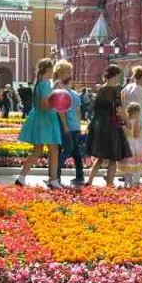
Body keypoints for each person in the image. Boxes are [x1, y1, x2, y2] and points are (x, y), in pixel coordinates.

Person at [15, 58, 62, 189]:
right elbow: (44, 105)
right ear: (48, 69)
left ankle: (21, 177)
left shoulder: (39, 83)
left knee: (37, 150)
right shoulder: (46, 84)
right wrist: (56, 104)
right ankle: (53, 180)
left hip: (38, 118)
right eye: (52, 69)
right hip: (46, 120)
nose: (53, 72)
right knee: (54, 150)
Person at [86, 64, 130, 187]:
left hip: (99, 125)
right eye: (119, 76)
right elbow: (119, 109)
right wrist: (127, 122)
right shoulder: (116, 90)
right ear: (115, 76)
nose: (119, 79)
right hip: (111, 126)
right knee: (113, 157)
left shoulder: (100, 89)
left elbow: (93, 108)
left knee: (100, 157)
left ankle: (89, 180)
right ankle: (110, 183)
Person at [52, 60, 85, 188]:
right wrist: (66, 125)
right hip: (64, 124)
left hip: (73, 125)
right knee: (68, 149)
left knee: (76, 151)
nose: (70, 74)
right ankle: (56, 175)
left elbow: (77, 109)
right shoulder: (57, 87)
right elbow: (60, 110)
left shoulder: (70, 89)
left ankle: (79, 176)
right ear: (61, 72)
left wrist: (78, 124)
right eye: (68, 71)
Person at [124, 104, 142, 187]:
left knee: (128, 166)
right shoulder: (136, 121)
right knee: (135, 165)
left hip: (127, 144)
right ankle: (134, 183)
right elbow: (136, 135)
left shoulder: (126, 121)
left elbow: (125, 134)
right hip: (135, 145)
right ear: (136, 112)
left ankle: (127, 182)